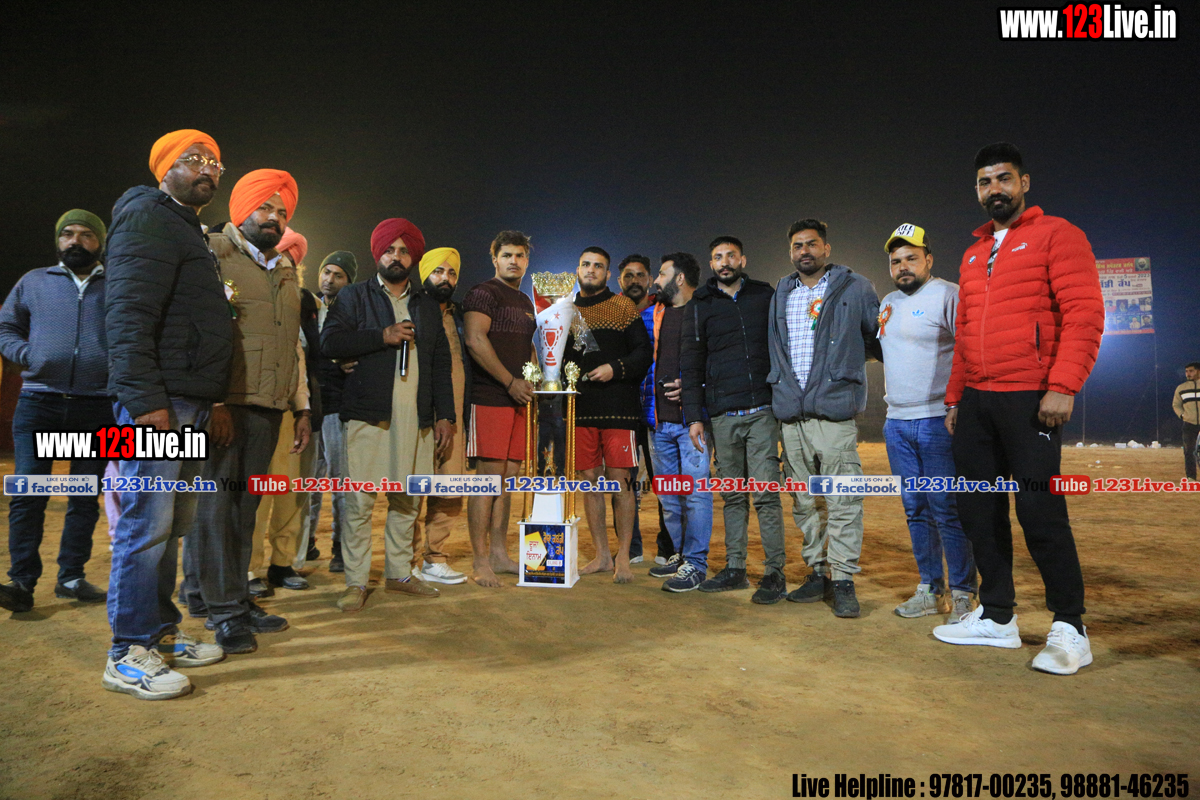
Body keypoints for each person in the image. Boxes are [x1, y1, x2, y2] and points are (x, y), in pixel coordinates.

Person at [932, 142, 1104, 676]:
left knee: (1039, 510)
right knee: (978, 511)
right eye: (985, 182)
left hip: (1031, 396)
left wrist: (1064, 384)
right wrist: (956, 397)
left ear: (1024, 183)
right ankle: (998, 616)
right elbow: (965, 334)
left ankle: (1070, 627)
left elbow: (1084, 313)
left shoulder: (1059, 235)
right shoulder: (972, 253)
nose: (995, 189)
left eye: (1003, 178)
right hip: (977, 400)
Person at [100, 129, 232, 700]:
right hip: (160, 404)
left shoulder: (185, 227)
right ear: (164, 170)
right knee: (145, 527)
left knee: (172, 525)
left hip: (188, 402)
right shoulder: (147, 217)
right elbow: (127, 314)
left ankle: (160, 634)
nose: (207, 168)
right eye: (193, 158)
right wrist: (145, 401)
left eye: (215, 162)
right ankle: (127, 652)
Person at [179, 169, 311, 655]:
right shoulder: (213, 252)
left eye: (282, 212)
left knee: (243, 510)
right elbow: (197, 333)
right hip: (225, 406)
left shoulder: (284, 268)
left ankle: (225, 596)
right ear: (241, 208)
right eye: (265, 208)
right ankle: (225, 612)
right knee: (217, 511)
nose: (274, 218)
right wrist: (213, 400)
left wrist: (298, 406)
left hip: (268, 406)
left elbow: (289, 345)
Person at [320, 218, 455, 612]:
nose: (396, 256)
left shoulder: (427, 305)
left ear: (413, 258)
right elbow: (331, 342)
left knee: (408, 501)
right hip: (368, 416)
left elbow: (440, 361)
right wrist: (382, 336)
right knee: (359, 504)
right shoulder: (354, 296)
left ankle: (399, 574)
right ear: (377, 253)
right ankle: (356, 582)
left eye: (404, 251)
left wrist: (445, 415)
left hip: (417, 420)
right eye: (390, 249)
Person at [0, 209, 115, 612]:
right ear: (58, 240)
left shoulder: (117, 284)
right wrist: (27, 354)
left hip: (97, 405)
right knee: (29, 494)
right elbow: (5, 327)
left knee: (84, 496)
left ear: (100, 242)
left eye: (86, 234)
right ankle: (21, 582)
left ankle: (71, 577)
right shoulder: (34, 281)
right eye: (67, 233)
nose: (75, 241)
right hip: (40, 403)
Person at [768, 219, 882, 618]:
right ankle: (818, 573)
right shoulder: (782, 291)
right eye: (798, 245)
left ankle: (844, 579)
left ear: (826, 249)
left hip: (833, 413)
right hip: (791, 414)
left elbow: (877, 339)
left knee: (842, 498)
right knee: (805, 501)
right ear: (791, 252)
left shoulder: (856, 287)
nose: (805, 251)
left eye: (812, 244)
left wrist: (841, 370)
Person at [877, 224, 976, 619]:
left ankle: (964, 593)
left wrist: (957, 403)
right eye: (896, 261)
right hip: (897, 423)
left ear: (929, 260)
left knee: (946, 508)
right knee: (915, 509)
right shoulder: (887, 303)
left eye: (911, 258)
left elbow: (967, 350)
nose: (903, 266)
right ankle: (931, 590)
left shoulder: (948, 294)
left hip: (937, 420)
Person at [681, 236, 786, 604]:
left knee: (766, 494)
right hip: (722, 415)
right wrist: (694, 416)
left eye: (730, 255)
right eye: (717, 257)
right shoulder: (700, 303)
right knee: (733, 496)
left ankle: (774, 573)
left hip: (762, 411)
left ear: (743, 259)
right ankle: (736, 569)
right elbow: (691, 362)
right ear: (711, 264)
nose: (724, 262)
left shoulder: (764, 295)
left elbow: (782, 345)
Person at [564, 247, 652, 583]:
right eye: (586, 264)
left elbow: (644, 352)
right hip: (582, 410)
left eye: (598, 266)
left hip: (619, 410)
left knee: (621, 483)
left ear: (607, 273)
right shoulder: (567, 310)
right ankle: (602, 555)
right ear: (578, 269)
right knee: (589, 483)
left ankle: (624, 556)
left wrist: (615, 368)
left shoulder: (622, 306)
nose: (591, 270)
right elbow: (564, 357)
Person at [246, 227, 320, 595]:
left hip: (288, 413)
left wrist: (303, 410)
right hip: (253, 409)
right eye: (279, 257)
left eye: (291, 260)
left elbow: (297, 362)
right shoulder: (247, 295)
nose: (284, 264)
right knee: (255, 495)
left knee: (289, 492)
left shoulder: (296, 304)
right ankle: (248, 569)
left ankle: (282, 563)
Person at [462, 231, 538, 587]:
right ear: (494, 258)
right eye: (507, 255)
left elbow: (528, 346)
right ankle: (480, 561)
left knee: (507, 480)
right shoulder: (483, 293)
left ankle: (498, 553)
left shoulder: (525, 299)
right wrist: (509, 382)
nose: (514, 261)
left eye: (520, 255)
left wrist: (536, 377)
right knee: (487, 480)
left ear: (527, 260)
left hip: (520, 399)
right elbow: (475, 340)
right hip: (491, 396)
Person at [644, 253, 713, 591]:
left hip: (692, 423)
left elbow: (719, 360)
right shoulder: (652, 313)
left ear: (680, 278)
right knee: (669, 498)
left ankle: (696, 564)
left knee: (696, 496)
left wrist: (694, 386)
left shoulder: (705, 312)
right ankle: (681, 554)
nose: (656, 280)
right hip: (657, 421)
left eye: (662, 274)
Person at [410, 246, 472, 585]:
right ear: (425, 274)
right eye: (438, 271)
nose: (445, 278)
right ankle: (405, 561)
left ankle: (434, 559)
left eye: (451, 273)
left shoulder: (459, 316)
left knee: (449, 488)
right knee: (413, 490)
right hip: (419, 414)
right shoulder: (412, 308)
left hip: (455, 417)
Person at [618, 253, 672, 565]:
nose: (635, 281)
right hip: (622, 411)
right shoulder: (612, 312)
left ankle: (667, 548)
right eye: (629, 275)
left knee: (663, 482)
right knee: (623, 484)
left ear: (650, 279)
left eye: (640, 275)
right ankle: (631, 548)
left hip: (655, 411)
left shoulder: (664, 310)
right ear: (619, 280)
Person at [306, 251, 357, 573]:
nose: (330, 279)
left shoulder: (353, 313)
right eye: (327, 272)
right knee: (308, 483)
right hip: (308, 408)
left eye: (339, 275)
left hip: (338, 407)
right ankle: (306, 544)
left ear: (348, 282)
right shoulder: (307, 308)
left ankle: (340, 547)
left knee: (341, 483)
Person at [1172, 362, 1199, 480]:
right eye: (1186, 371)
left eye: (1191, 371)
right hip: (1189, 424)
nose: (1188, 374)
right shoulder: (1181, 388)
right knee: (1189, 451)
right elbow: (1176, 405)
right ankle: (1191, 477)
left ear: (1198, 371)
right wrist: (1182, 415)